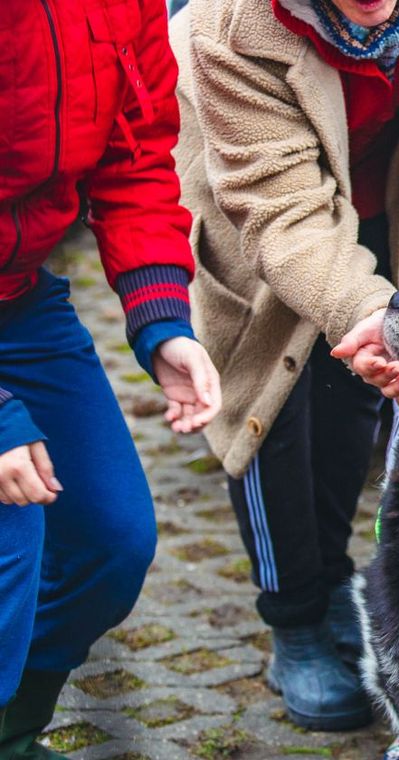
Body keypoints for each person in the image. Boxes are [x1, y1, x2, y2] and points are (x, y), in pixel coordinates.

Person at [169, 0, 399, 731]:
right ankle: (292, 618)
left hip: (376, 188)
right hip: (258, 202)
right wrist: (366, 313)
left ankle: (331, 579)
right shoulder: (227, 29)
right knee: (272, 398)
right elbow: (281, 214)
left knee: (353, 399)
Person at [0, 0, 221, 756]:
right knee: (10, 534)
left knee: (109, 539)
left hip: (19, 299)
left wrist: (162, 322)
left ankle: (14, 730)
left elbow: (134, 158)